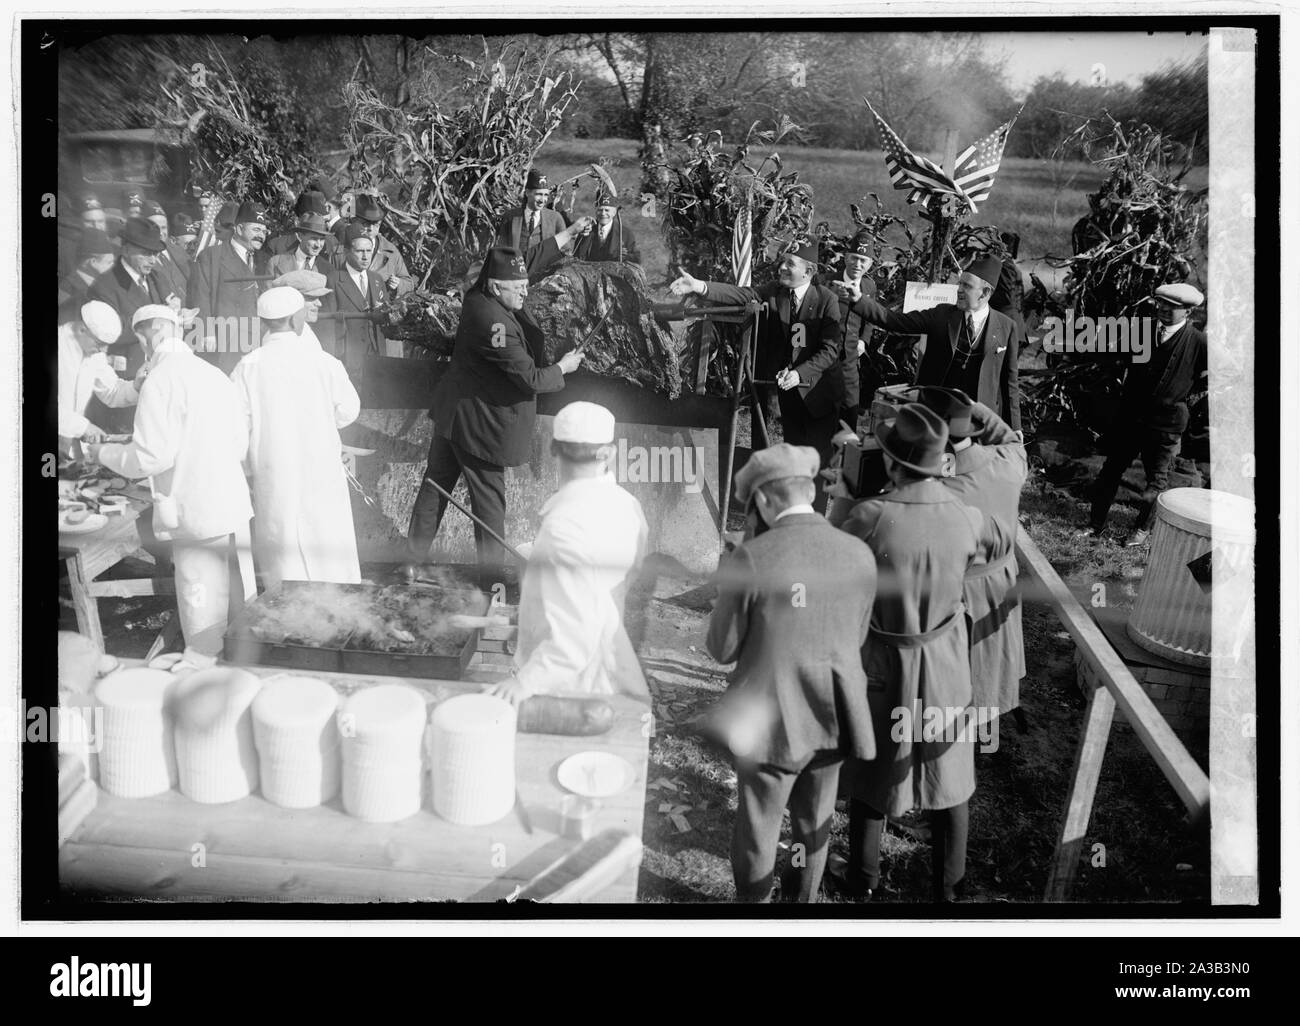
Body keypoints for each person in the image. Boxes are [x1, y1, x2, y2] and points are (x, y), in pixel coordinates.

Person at [834, 403, 1012, 902]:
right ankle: (947, 889)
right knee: (949, 773)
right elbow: (1003, 539)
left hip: (884, 664)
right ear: (941, 463)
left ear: (891, 464)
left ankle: (862, 881)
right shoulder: (966, 517)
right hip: (945, 663)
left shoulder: (871, 516)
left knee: (872, 771)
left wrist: (845, 499)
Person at [705, 443, 878, 903]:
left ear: (762, 500)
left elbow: (721, 649)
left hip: (770, 721)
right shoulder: (858, 552)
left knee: (759, 825)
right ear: (809, 491)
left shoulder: (753, 558)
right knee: (814, 822)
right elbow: (856, 636)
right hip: (833, 714)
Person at [87, 305, 254, 673]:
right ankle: (245, 681)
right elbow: (240, 443)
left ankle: (202, 686)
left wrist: (102, 452)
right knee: (242, 610)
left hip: (195, 514)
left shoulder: (160, 380)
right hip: (233, 506)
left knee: (203, 618)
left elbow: (150, 458)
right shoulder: (215, 374)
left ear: (149, 336)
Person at [406, 246, 583, 577]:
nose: (525, 291)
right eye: (517, 287)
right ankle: (490, 579)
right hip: (479, 426)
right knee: (489, 506)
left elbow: (521, 262)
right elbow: (529, 378)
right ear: (496, 286)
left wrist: (559, 243)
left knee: (435, 488)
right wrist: (563, 367)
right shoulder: (493, 325)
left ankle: (410, 564)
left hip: (454, 415)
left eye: (524, 284)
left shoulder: (479, 297)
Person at [485, 402, 650, 706]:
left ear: (553, 450)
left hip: (565, 683)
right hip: (609, 650)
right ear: (609, 453)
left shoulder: (563, 528)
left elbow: (573, 639)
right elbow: (627, 570)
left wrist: (524, 682)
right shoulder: (629, 507)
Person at [670, 239, 844, 510]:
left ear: (808, 272)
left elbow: (830, 350)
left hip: (818, 393)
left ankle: (816, 518)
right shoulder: (774, 292)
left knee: (817, 460)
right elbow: (741, 295)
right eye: (783, 260)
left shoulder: (826, 300)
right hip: (789, 392)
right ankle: (791, 511)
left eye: (790, 263)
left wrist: (800, 374)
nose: (782, 267)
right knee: (794, 455)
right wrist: (699, 286)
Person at [231, 287, 362, 588]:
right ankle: (339, 613)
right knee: (327, 540)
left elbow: (237, 426)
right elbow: (348, 411)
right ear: (294, 320)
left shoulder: (247, 367)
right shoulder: (324, 362)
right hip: (320, 468)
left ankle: (290, 617)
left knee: (283, 548)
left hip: (275, 471)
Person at [918, 387, 1027, 728]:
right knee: (993, 656)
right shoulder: (1009, 461)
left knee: (964, 665)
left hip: (961, 592)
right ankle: (989, 717)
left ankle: (959, 724)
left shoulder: (937, 494)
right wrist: (967, 406)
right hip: (1003, 579)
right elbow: (1007, 435)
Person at [1081, 282, 1209, 546]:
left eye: (1172, 307)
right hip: (1130, 419)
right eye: (1160, 304)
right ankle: (1094, 525)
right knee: (1109, 472)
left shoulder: (1198, 342)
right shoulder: (1142, 332)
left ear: (1188, 311)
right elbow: (1113, 357)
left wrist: (1188, 393)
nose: (1163, 310)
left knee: (1156, 482)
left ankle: (1140, 531)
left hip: (1166, 425)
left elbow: (1224, 371)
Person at [839, 254, 1023, 434]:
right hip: (936, 414)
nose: (958, 289)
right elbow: (894, 321)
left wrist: (1015, 428)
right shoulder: (942, 315)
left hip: (979, 421)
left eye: (966, 286)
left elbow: (1010, 383)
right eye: (959, 283)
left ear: (985, 292)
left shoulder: (1006, 327)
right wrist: (859, 300)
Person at [187, 200, 271, 374]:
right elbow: (200, 294)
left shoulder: (262, 260)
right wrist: (207, 332)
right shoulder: (212, 256)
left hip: (253, 342)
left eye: (264, 231)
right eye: (256, 229)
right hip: (222, 341)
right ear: (239, 229)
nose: (261, 236)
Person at [57, 300, 139, 447]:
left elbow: (112, 392)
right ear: (82, 329)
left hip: (68, 442)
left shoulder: (95, 355)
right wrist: (84, 427)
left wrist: (137, 388)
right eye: (100, 344)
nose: (104, 351)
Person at [494, 168, 594, 279]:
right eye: (538, 194)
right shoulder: (510, 217)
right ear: (527, 193)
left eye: (546, 195)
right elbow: (501, 252)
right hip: (515, 277)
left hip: (543, 280)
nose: (543, 200)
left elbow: (566, 253)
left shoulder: (555, 218)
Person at [830, 230, 880, 423]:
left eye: (863, 261)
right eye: (854, 258)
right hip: (826, 354)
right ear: (846, 257)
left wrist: (863, 340)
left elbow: (870, 317)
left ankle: (844, 452)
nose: (858, 265)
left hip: (851, 357)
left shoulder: (869, 287)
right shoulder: (826, 282)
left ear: (870, 264)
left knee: (850, 408)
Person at [330, 222, 390, 378]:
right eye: (360, 251)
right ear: (347, 251)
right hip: (347, 360)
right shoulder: (333, 280)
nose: (365, 256)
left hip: (377, 359)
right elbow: (329, 326)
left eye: (369, 251)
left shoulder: (377, 280)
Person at [337, 194, 413, 296]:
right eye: (366, 223)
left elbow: (409, 284)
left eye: (376, 224)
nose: (371, 229)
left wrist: (398, 284)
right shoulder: (338, 247)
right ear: (354, 221)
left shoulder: (390, 251)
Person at [58, 229, 118, 319]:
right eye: (109, 262)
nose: (113, 266)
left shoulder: (107, 283)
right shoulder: (67, 288)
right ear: (93, 262)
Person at [271, 268, 335, 352]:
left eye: (319, 298)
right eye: (312, 298)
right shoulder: (291, 338)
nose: (319, 304)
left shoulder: (304, 332)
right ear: (291, 300)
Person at [572, 190, 640, 264]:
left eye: (607, 210)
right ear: (595, 210)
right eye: (600, 210)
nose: (603, 213)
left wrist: (624, 256)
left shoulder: (625, 234)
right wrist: (583, 236)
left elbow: (636, 259)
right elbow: (576, 256)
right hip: (588, 273)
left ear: (614, 212)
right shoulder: (587, 230)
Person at [266, 211, 334, 278]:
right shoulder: (276, 263)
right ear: (300, 235)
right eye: (314, 239)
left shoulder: (328, 270)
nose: (318, 245)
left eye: (322, 239)